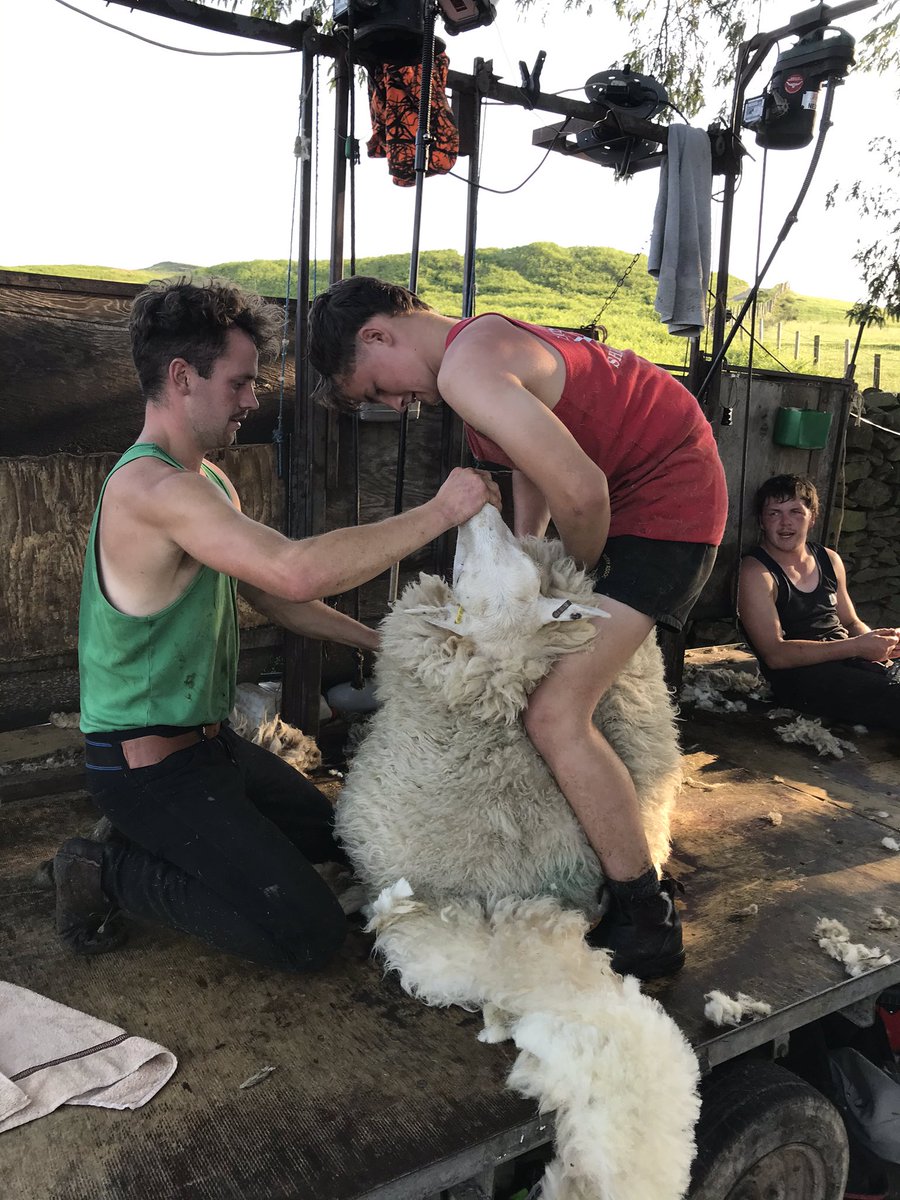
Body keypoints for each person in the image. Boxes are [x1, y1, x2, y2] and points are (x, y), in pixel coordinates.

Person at [55, 277, 500, 971]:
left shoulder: (206, 483)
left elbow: (276, 595)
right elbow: (295, 570)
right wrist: (441, 512)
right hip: (146, 769)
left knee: (338, 841)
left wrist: (384, 645)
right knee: (309, 937)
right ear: (181, 377)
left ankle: (174, 841)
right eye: (239, 383)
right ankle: (102, 870)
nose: (252, 401)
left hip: (209, 748)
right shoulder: (150, 490)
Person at [307, 276, 728, 979]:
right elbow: (537, 469)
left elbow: (584, 490)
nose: (394, 406)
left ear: (378, 334)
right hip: (656, 493)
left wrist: (573, 581)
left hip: (665, 510)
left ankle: (646, 918)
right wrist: (531, 556)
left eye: (375, 387)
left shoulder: (470, 369)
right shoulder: (479, 357)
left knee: (556, 715)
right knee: (561, 695)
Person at [738, 474, 900, 731]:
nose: (785, 523)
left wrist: (881, 644)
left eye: (795, 512)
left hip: (849, 659)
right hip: (802, 677)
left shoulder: (829, 559)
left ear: (812, 517)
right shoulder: (756, 573)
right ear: (761, 522)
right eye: (774, 513)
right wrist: (857, 647)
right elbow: (775, 655)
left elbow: (849, 621)